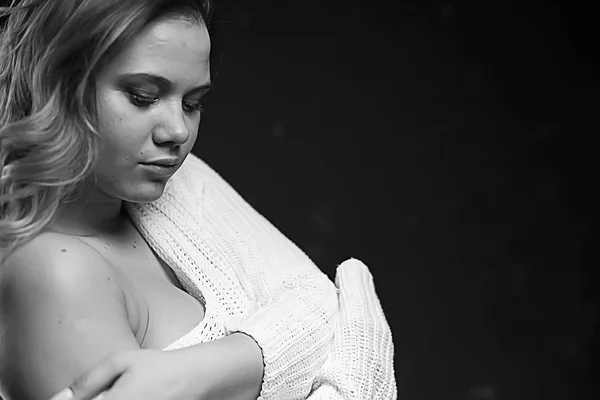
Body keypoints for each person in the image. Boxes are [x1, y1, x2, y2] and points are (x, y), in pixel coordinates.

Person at [0, 0, 397, 399]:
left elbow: (321, 308)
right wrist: (356, 376)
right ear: (55, 83)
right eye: (143, 96)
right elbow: (348, 333)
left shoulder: (180, 184)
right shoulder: (57, 274)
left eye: (192, 103)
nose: (177, 131)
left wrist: (187, 376)